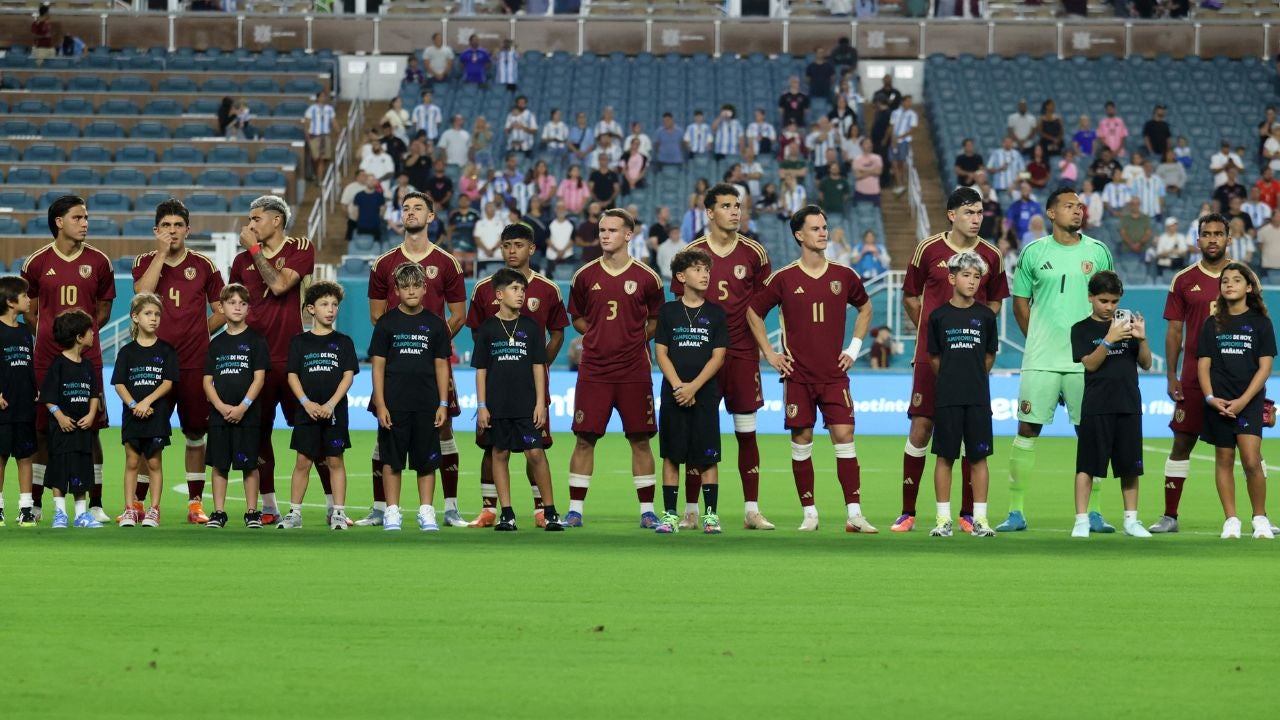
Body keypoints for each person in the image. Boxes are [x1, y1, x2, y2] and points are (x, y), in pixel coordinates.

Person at [747, 205, 875, 532]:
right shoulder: (784, 279)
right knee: (802, 440)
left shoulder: (844, 276)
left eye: (824, 226)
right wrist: (770, 354)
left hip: (834, 376)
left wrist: (854, 348)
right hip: (798, 377)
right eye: (816, 228)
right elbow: (753, 312)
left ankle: (855, 514)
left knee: (844, 436)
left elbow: (865, 308)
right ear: (799, 235)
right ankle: (810, 514)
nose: (823, 233)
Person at [1000, 188, 1116, 534]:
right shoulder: (1034, 252)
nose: (1077, 211)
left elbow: (1108, 300)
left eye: (1079, 206)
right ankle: (1016, 511)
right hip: (1042, 358)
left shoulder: (1098, 251)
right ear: (1051, 213)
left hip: (1087, 360)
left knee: (1091, 433)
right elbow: (1020, 302)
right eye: (1069, 206)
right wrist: (1036, 337)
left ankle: (1094, 512)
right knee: (1027, 429)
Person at [894, 187, 1008, 533]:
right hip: (930, 358)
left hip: (970, 362)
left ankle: (967, 514)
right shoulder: (928, 249)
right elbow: (910, 297)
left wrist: (973, 346)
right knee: (922, 428)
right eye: (970, 212)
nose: (976, 219)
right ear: (952, 215)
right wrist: (936, 335)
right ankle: (908, 512)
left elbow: (995, 304)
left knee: (970, 436)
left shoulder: (992, 254)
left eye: (980, 213)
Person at [669, 185, 775, 530]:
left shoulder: (755, 253)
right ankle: (689, 510)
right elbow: (679, 307)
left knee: (747, 433)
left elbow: (760, 308)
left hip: (742, 354)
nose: (735, 211)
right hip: (699, 358)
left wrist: (768, 350)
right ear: (709, 213)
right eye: (727, 206)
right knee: (695, 435)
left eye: (738, 206)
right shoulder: (691, 253)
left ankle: (751, 510)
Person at [360, 192, 467, 528]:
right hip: (394, 366)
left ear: (431, 217)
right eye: (405, 208)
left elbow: (459, 315)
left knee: (443, 427)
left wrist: (431, 344)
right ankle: (381, 508)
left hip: (431, 365)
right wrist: (403, 342)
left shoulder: (448, 262)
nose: (410, 212)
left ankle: (449, 507)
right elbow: (377, 315)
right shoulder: (383, 264)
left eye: (418, 207)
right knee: (386, 430)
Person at [564, 208, 665, 527]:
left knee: (640, 439)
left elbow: (657, 320)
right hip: (594, 370)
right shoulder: (585, 275)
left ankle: (647, 511)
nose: (604, 235)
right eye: (602, 230)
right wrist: (594, 334)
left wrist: (635, 338)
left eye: (611, 230)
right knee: (584, 439)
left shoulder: (647, 277)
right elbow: (576, 316)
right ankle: (575, 511)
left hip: (634, 371)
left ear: (628, 235)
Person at [126, 199, 226, 523]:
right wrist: (160, 254)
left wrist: (200, 332)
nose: (172, 231)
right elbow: (142, 295)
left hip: (195, 361)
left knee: (196, 433)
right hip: (152, 363)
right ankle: (138, 505)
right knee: (145, 436)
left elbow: (222, 310)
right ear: (157, 230)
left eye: (178, 225)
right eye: (166, 226)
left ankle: (195, 504)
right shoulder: (144, 261)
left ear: (188, 229)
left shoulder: (205, 266)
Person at [464, 224, 569, 527]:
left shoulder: (548, 289)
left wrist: (536, 364)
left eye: (519, 245)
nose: (512, 251)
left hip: (531, 389)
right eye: (507, 245)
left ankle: (542, 509)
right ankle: (491, 509)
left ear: (531, 249)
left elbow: (558, 335)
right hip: (497, 390)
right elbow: (479, 338)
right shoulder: (484, 288)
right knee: (493, 448)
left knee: (535, 449)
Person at [21, 195, 115, 523]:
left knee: (91, 429)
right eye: (78, 217)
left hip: (89, 357)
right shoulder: (35, 263)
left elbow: (103, 308)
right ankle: (33, 503)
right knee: (43, 430)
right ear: (59, 222)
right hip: (46, 358)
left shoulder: (100, 262)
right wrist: (55, 338)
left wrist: (79, 338)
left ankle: (97, 502)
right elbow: (29, 311)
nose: (85, 223)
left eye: (86, 217)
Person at [229, 195, 315, 527]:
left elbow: (280, 286)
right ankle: (269, 505)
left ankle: (332, 507)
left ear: (276, 220)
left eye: (255, 219)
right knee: (258, 434)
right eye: (249, 220)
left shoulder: (300, 247)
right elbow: (233, 306)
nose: (249, 225)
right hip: (255, 361)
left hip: (293, 358)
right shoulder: (239, 262)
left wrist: (253, 250)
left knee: (311, 432)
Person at [1069, 271, 1153, 539]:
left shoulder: (1127, 327)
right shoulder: (1081, 329)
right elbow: (1091, 364)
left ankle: (1131, 521)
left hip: (1128, 404)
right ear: (1091, 297)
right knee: (1087, 467)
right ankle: (1081, 521)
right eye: (1104, 301)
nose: (1110, 307)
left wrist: (1141, 338)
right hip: (1096, 406)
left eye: (1115, 301)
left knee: (1130, 467)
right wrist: (1109, 339)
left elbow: (1147, 363)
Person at [369, 263, 451, 532]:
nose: (411, 291)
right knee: (392, 460)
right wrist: (380, 403)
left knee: (426, 461)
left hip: (427, 404)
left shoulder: (436, 324)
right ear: (397, 291)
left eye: (416, 286)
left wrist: (442, 403)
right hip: (393, 404)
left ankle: (426, 511)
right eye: (406, 287)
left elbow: (441, 365)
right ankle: (392, 511)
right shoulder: (386, 324)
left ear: (425, 288)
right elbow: (378, 365)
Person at [1196, 263, 1276, 539]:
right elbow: (1203, 365)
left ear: (1249, 287)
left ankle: (1260, 518)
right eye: (1225, 281)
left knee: (1252, 460)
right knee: (1224, 457)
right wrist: (1209, 398)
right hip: (1218, 401)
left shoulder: (1261, 323)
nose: (1229, 284)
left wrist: (1243, 400)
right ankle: (1231, 520)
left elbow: (1265, 368)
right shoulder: (1212, 323)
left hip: (1249, 401)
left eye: (1236, 280)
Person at [654, 249, 728, 535]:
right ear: (681, 276)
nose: (705, 274)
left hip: (705, 394)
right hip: (673, 393)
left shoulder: (716, 313)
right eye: (698, 269)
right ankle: (670, 516)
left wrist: (694, 387)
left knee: (708, 456)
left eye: (707, 269)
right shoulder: (668, 312)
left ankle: (711, 516)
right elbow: (661, 353)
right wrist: (677, 386)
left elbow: (718, 356)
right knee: (671, 456)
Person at [925, 251, 1000, 538]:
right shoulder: (938, 316)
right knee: (945, 457)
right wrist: (951, 379)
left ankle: (980, 519)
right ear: (952, 277)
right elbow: (935, 359)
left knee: (979, 458)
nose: (972, 281)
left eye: (977, 276)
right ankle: (943, 519)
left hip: (978, 397)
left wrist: (973, 378)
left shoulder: (985, 316)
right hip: (947, 397)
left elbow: (989, 356)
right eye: (966, 275)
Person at [279, 281, 359, 531]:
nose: (331, 309)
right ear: (310, 309)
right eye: (324, 304)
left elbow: (348, 375)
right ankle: (294, 513)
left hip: (334, 413)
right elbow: (292, 375)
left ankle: (338, 512)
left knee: (335, 461)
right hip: (307, 412)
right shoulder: (299, 343)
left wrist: (331, 404)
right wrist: (306, 403)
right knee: (302, 461)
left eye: (335, 305)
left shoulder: (344, 342)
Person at [202, 284, 269, 530]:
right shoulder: (215, 344)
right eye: (232, 303)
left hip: (247, 415)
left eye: (242, 303)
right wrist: (220, 406)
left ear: (248, 308)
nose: (237, 307)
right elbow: (207, 381)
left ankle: (252, 512)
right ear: (221, 307)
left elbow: (259, 378)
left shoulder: (256, 340)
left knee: (249, 464)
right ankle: (219, 512)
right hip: (219, 415)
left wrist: (243, 406)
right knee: (220, 464)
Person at [112, 294, 178, 528]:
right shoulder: (126, 352)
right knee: (131, 462)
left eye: (157, 314)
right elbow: (119, 383)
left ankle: (154, 510)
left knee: (154, 463)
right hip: (132, 417)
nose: (153, 318)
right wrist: (133, 405)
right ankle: (130, 509)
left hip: (156, 415)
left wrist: (147, 402)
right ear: (135, 317)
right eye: (148, 314)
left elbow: (168, 382)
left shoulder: (166, 351)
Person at [41, 310, 102, 529]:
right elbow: (47, 396)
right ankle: (60, 513)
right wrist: (60, 417)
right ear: (78, 337)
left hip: (82, 430)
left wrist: (91, 414)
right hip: (61, 429)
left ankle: (81, 515)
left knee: (81, 469)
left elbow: (94, 394)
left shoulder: (87, 366)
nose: (93, 333)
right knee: (59, 469)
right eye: (89, 330)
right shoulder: (58, 364)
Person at [0, 276, 36, 527]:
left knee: (25, 457)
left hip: (25, 404)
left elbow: (29, 364)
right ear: (11, 302)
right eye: (24, 296)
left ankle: (25, 508)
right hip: (3, 406)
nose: (29, 299)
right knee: (0, 456)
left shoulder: (25, 330)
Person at [304, 90, 337, 183]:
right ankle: (316, 175)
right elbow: (306, 124)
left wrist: (339, 133)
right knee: (316, 158)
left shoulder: (329, 109)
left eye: (325, 96)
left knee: (323, 158)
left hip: (325, 136)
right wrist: (308, 138)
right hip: (314, 136)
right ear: (317, 98)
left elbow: (333, 122)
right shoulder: (311, 109)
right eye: (321, 96)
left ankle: (320, 179)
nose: (323, 98)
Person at [888, 95, 918, 193]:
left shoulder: (912, 115)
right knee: (894, 162)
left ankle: (902, 183)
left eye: (910, 101)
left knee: (901, 162)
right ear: (903, 102)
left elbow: (912, 129)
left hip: (904, 141)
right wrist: (893, 139)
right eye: (908, 101)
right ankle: (899, 184)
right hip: (894, 140)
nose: (909, 103)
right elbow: (892, 126)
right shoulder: (895, 113)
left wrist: (899, 138)